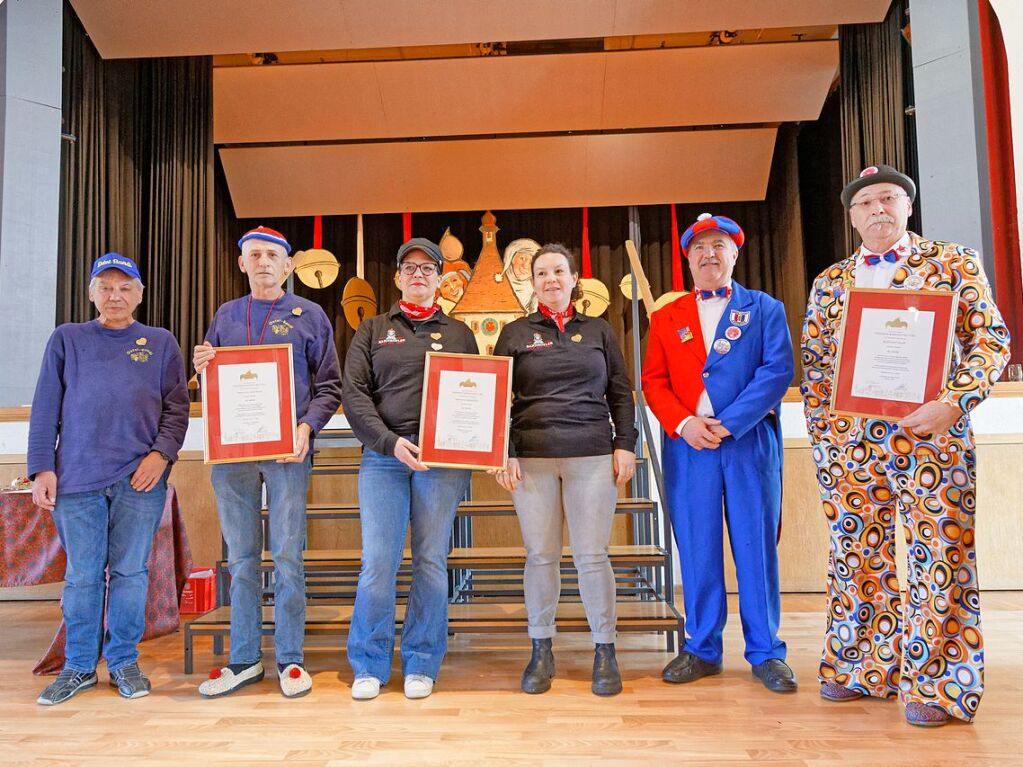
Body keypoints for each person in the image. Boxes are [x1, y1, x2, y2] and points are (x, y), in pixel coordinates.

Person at [801, 165, 1010, 726]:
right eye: (865, 203)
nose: (877, 210)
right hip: (852, 448)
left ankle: (939, 687)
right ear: (851, 216)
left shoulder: (952, 264)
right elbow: (818, 372)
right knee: (855, 557)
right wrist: (825, 447)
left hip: (932, 441)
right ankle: (861, 667)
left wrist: (954, 402)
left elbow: (991, 342)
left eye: (888, 198)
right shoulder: (830, 282)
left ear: (908, 205)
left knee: (939, 559)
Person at [643, 213, 797, 694]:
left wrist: (729, 423)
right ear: (687, 259)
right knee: (697, 545)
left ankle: (766, 651)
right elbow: (654, 381)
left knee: (755, 546)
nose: (709, 254)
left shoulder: (766, 308)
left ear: (734, 253)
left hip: (748, 443)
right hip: (690, 448)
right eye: (699, 248)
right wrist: (686, 424)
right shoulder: (666, 318)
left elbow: (776, 372)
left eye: (718, 246)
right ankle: (702, 647)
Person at [28, 253, 189, 705]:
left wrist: (161, 456)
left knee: (130, 573)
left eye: (125, 287)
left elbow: (177, 410)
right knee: (81, 577)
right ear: (91, 293)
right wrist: (43, 467)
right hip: (76, 480)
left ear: (139, 295)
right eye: (106, 286)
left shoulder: (160, 342)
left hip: (140, 480)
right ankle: (79, 667)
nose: (115, 295)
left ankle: (122, 661)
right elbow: (45, 408)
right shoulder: (67, 339)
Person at [193, 226, 342, 699]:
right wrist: (202, 367)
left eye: (272, 255)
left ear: (289, 265)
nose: (262, 262)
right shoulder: (225, 315)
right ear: (242, 264)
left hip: (287, 454)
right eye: (254, 254)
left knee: (287, 556)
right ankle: (244, 660)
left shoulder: (310, 314)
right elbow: (214, 383)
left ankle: (291, 659)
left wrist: (306, 428)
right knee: (240, 559)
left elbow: (331, 386)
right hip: (232, 456)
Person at [492, 243, 637, 696]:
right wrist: (504, 451)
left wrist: (625, 445)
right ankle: (541, 650)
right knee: (541, 556)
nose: (551, 279)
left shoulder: (598, 331)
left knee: (592, 556)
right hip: (531, 458)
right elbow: (499, 400)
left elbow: (621, 392)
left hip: (592, 454)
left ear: (574, 278)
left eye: (559, 271)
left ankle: (604, 649)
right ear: (531, 283)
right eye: (541, 273)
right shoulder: (514, 334)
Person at [342, 237, 479, 700]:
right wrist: (390, 442)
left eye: (428, 269)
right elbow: (354, 393)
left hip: (441, 465)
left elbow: (477, 394)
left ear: (441, 280)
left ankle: (422, 660)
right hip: (384, 459)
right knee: (378, 563)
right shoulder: (374, 328)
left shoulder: (460, 333)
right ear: (398, 278)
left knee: (430, 562)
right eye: (410, 268)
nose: (419, 275)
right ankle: (368, 662)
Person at [498, 238, 541, 313]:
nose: (525, 266)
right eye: (522, 258)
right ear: (512, 258)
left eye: (532, 262)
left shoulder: (536, 288)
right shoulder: (498, 281)